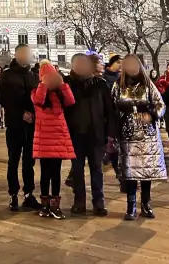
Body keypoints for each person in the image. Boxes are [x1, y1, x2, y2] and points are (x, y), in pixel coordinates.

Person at [111, 54, 166, 221]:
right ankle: (131, 206)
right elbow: (112, 107)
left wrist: (152, 114)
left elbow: (160, 104)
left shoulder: (148, 84)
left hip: (147, 132)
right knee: (130, 171)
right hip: (127, 132)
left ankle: (146, 204)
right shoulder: (117, 85)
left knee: (146, 170)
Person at [65, 53, 115, 216]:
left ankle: (99, 202)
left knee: (96, 169)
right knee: (77, 170)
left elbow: (110, 110)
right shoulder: (67, 84)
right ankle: (79, 201)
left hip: (96, 134)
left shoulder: (100, 84)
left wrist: (110, 133)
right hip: (75, 134)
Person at [0, 44, 42, 212]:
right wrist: (20, 113)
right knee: (13, 160)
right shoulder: (7, 75)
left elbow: (38, 98)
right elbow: (3, 98)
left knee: (29, 162)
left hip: (31, 126)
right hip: (15, 124)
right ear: (16, 55)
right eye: (22, 53)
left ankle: (29, 194)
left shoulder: (33, 76)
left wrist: (33, 114)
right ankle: (13, 194)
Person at [32, 60, 75, 220]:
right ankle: (44, 203)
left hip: (57, 136)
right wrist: (43, 83)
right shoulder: (37, 91)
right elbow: (38, 101)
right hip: (44, 137)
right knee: (45, 173)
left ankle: (55, 205)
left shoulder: (59, 93)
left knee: (56, 173)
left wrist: (62, 83)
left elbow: (71, 100)